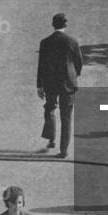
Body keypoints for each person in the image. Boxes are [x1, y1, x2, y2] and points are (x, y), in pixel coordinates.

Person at [37, 13, 83, 159]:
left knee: (50, 108)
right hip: (68, 83)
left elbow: (41, 65)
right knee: (66, 117)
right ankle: (64, 151)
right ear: (65, 25)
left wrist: (39, 85)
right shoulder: (72, 41)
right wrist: (74, 76)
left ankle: (51, 137)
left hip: (50, 82)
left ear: (53, 25)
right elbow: (79, 62)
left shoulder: (45, 42)